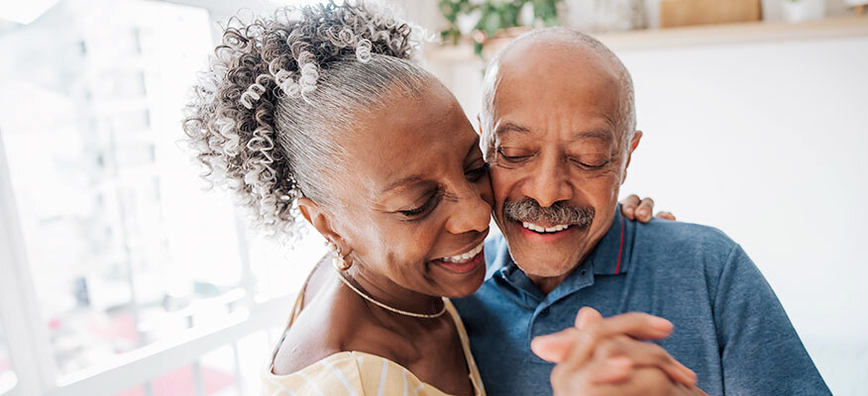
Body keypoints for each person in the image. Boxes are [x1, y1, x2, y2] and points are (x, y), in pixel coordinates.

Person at [182, 2, 687, 395]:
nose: (476, 215)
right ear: (328, 226)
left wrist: (603, 216)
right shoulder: (349, 381)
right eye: (418, 204)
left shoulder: (398, 279)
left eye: (474, 168)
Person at [453, 27, 833, 395]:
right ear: (483, 141)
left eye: (589, 159)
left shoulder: (709, 268)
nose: (548, 193)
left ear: (626, 156)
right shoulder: (452, 290)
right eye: (514, 153)